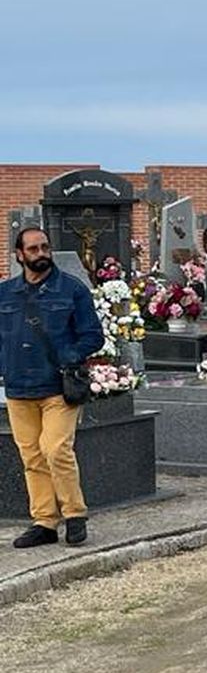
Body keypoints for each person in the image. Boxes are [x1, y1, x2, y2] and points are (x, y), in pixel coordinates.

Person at [1, 228, 105, 548]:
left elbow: (93, 335)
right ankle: (44, 521)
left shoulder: (72, 290)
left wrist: (68, 356)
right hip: (19, 387)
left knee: (55, 449)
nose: (41, 253)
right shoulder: (4, 293)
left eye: (45, 247)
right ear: (20, 255)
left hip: (58, 387)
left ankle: (74, 514)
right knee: (31, 456)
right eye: (33, 249)